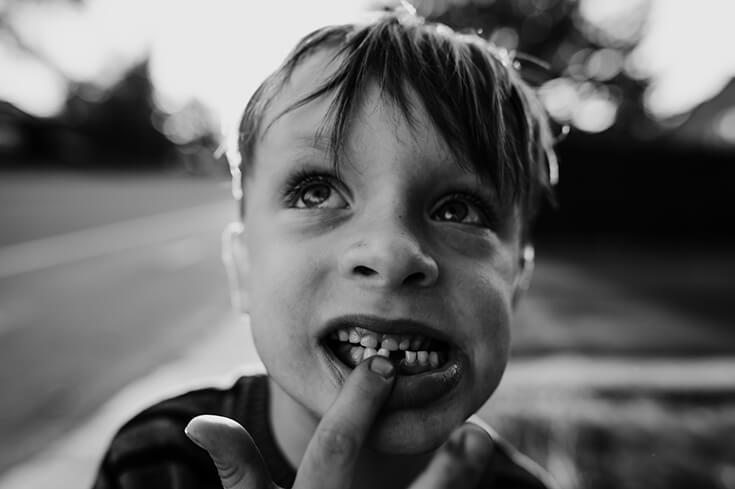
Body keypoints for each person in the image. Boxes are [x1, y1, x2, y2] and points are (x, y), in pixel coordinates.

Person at [92, 6, 562, 489]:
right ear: (242, 268)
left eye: (459, 210)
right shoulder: (156, 464)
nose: (391, 254)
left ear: (515, 286)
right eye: (316, 192)